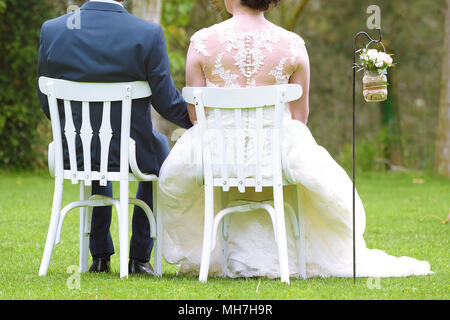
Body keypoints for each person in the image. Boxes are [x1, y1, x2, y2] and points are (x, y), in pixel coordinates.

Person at [157, 0, 432, 278]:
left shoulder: (202, 41)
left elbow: (195, 115)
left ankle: (217, 250)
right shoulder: (292, 44)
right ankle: (290, 250)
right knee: (298, 149)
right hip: (274, 156)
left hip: (218, 157)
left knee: (180, 169)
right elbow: (300, 117)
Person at [37, 0, 192, 275]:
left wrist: (77, 134)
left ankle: (99, 256)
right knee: (158, 146)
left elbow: (47, 103)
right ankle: (140, 257)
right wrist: (200, 119)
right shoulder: (147, 33)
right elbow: (167, 102)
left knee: (99, 149)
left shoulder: (53, 30)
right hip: (131, 152)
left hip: (74, 151)